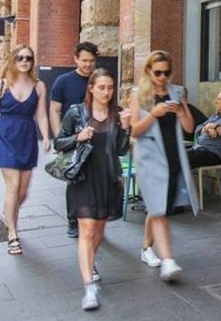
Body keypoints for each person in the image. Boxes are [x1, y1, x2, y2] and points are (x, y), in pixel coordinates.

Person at [54, 68, 131, 311]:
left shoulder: (117, 114)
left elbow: (121, 150)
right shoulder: (76, 112)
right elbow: (58, 142)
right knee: (86, 231)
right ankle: (89, 288)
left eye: (110, 88)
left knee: (98, 230)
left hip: (108, 179)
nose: (106, 92)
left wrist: (126, 128)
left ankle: (90, 260)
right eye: (101, 87)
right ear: (91, 88)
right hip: (83, 178)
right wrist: (77, 137)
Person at [0, 45, 51, 256]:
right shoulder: (1, 84)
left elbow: (41, 114)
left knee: (22, 192)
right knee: (13, 185)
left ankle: (9, 213)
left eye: (29, 58)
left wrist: (46, 137)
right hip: (4, 136)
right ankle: (13, 234)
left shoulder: (39, 86)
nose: (24, 61)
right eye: (20, 57)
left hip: (27, 137)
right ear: (13, 60)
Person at [128, 50, 195, 281]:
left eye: (166, 73)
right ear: (148, 71)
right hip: (149, 158)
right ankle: (167, 260)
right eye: (157, 73)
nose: (162, 77)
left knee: (159, 207)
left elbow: (189, 128)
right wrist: (153, 114)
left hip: (172, 157)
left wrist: (181, 112)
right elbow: (135, 131)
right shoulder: (139, 94)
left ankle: (146, 247)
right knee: (158, 209)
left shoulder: (176, 92)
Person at [50, 41, 99, 238]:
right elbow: (55, 110)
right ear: (76, 59)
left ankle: (92, 220)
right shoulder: (63, 81)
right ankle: (72, 220)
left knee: (95, 180)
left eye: (91, 60)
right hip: (73, 137)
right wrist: (61, 139)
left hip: (96, 136)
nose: (88, 64)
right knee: (74, 179)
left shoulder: (99, 80)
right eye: (84, 60)